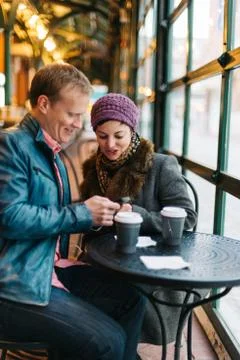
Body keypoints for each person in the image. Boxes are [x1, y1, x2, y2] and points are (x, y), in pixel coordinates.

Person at [0, 64, 146, 360]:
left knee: (132, 300)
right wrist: (82, 214)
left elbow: (50, 213)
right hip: (14, 286)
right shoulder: (11, 145)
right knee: (108, 341)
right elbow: (10, 218)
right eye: (72, 114)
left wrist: (93, 215)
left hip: (45, 269)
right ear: (44, 104)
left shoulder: (47, 150)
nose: (79, 124)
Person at [79, 93, 198, 345]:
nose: (110, 144)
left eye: (118, 135)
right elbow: (87, 229)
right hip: (107, 262)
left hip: (152, 271)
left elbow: (187, 219)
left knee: (120, 301)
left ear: (132, 131)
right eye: (102, 136)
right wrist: (93, 219)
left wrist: (137, 215)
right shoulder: (93, 170)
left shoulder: (160, 166)